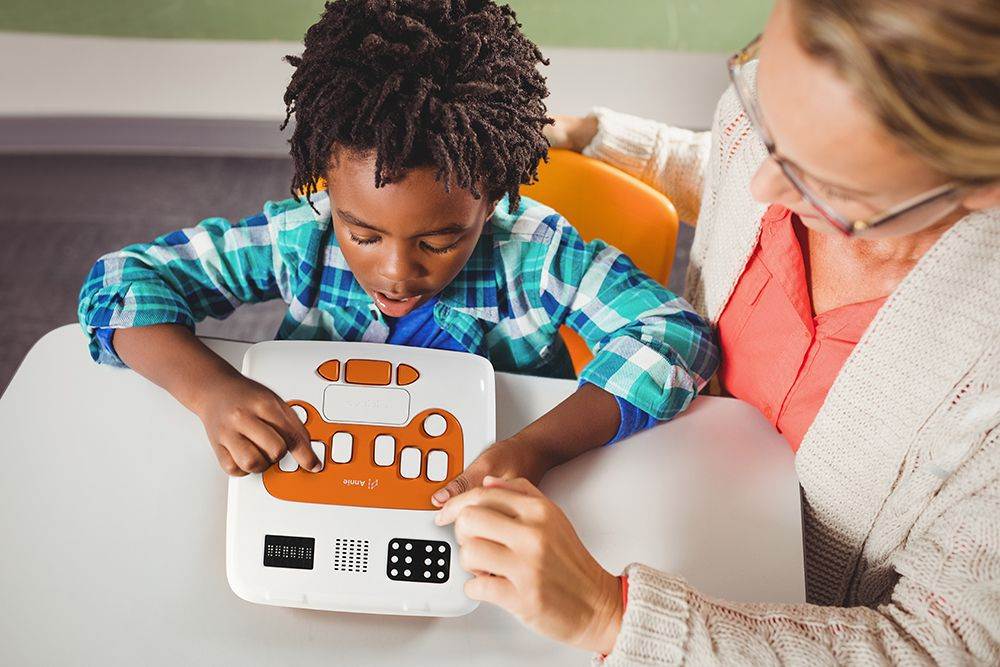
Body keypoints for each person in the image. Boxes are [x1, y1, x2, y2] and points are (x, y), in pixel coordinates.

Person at [437, 0, 1000, 663]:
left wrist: (609, 616)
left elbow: (942, 646)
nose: (761, 183)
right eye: (765, 109)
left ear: (979, 186)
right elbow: (736, 164)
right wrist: (592, 134)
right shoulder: (762, 145)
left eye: (825, 187)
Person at [76, 0, 717, 488]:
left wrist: (537, 448)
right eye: (362, 233)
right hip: (322, 476)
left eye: (439, 241)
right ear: (327, 185)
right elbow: (122, 283)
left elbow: (675, 337)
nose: (396, 271)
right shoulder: (301, 236)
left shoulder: (538, 254)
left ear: (492, 199)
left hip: (495, 494)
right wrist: (210, 391)